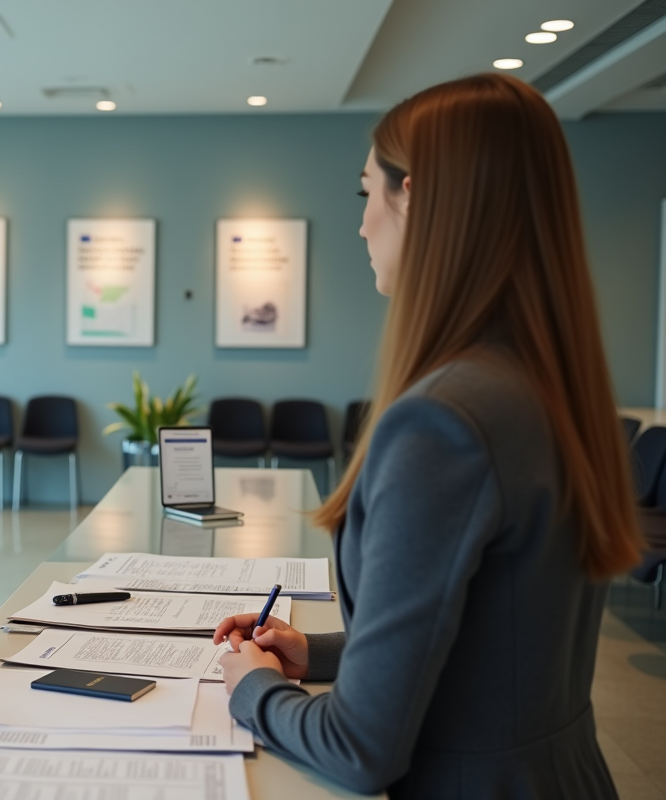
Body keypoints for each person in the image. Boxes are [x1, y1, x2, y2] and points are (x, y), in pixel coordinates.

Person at [213, 72, 644, 799]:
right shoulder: (549, 386)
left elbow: (359, 749)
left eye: (366, 193)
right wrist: (314, 651)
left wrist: (251, 687)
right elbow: (488, 638)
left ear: (412, 196)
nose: (361, 225)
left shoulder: (443, 422)